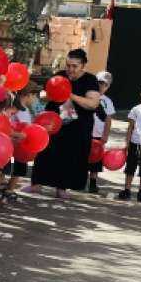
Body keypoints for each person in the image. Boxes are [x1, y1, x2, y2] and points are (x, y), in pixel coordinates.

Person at [29, 49, 101, 200]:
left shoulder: (90, 80)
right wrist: (49, 94)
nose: (70, 69)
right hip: (54, 123)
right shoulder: (59, 75)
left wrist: (70, 95)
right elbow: (43, 94)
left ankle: (61, 188)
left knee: (68, 156)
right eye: (68, 65)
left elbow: (93, 104)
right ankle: (36, 184)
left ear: (83, 65)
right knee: (45, 152)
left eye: (75, 66)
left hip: (77, 126)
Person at [87, 70, 115, 194]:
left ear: (108, 87)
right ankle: (78, 181)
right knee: (82, 157)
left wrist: (105, 135)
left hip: (98, 136)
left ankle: (93, 183)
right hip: (86, 133)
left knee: (95, 160)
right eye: (99, 82)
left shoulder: (107, 101)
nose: (101, 86)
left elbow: (108, 120)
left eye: (105, 84)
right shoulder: (88, 95)